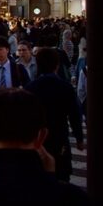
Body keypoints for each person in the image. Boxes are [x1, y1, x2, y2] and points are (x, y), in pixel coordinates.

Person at [26, 48, 84, 182]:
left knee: (38, 176)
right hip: (59, 135)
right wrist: (79, 137)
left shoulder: (31, 87)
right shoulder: (65, 87)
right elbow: (74, 114)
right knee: (61, 174)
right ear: (57, 65)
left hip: (37, 138)